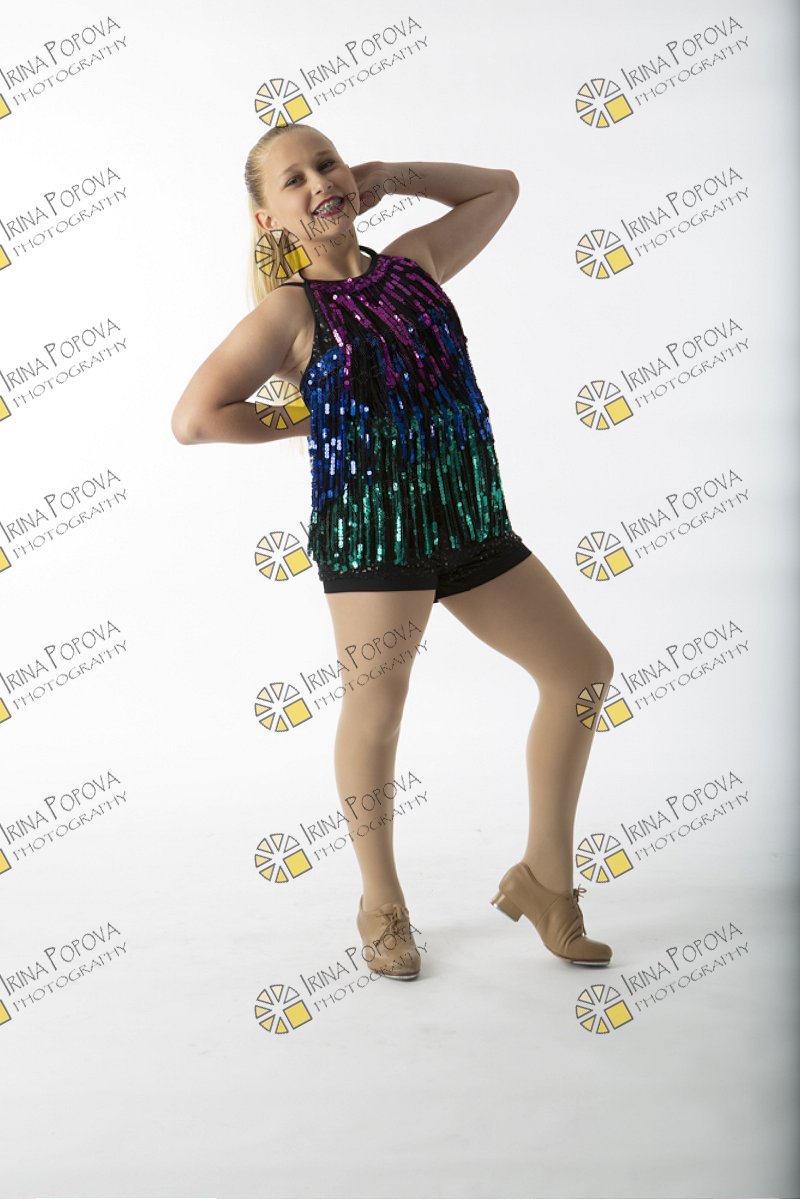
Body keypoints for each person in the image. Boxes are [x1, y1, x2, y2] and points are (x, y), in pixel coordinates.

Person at [171, 123, 616, 979]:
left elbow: (500, 186)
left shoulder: (414, 263)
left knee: (581, 671)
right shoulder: (291, 310)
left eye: (327, 163)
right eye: (294, 181)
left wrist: (391, 174)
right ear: (268, 221)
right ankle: (381, 902)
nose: (318, 183)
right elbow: (195, 418)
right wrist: (307, 420)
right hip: (373, 533)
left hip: (469, 519)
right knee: (378, 713)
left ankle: (544, 879)